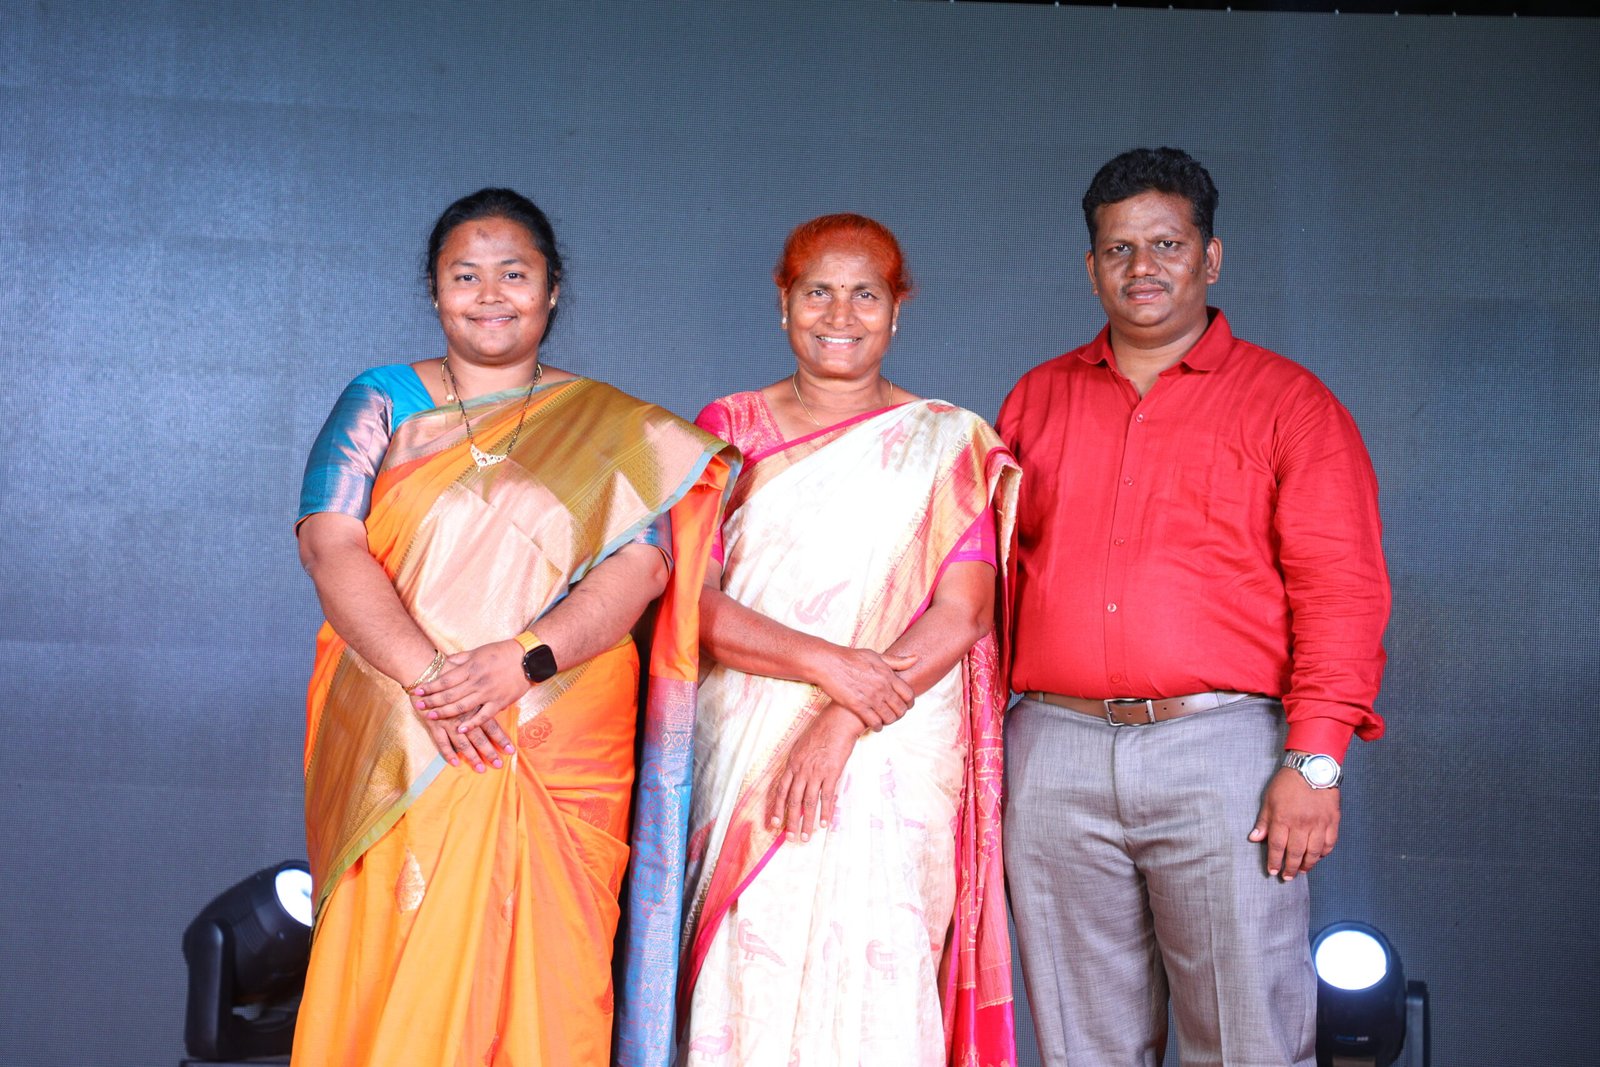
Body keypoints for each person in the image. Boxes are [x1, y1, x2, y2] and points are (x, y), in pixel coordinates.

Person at [290, 188, 735, 1067]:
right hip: (410, 729)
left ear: (552, 288)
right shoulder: (381, 402)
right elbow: (329, 543)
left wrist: (521, 661)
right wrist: (433, 682)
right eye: (466, 275)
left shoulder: (612, 425)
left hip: (552, 729)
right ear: (435, 290)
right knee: (404, 950)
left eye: (514, 274)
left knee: (548, 977)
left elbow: (641, 568)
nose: (490, 294)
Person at [999, 148, 1391, 1066]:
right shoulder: (1036, 399)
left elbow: (1341, 590)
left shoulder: (1291, 404)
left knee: (1247, 1038)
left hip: (1221, 753)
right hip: (1051, 753)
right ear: (1091, 267)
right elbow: (987, 582)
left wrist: (1316, 761)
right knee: (1080, 1046)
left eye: (1167, 244)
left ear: (1210, 258)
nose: (1143, 267)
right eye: (1119, 248)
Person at [655, 214, 1018, 1067]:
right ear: (783, 303)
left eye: (865, 294)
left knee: (881, 977)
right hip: (750, 753)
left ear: (898, 309)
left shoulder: (951, 441)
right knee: (749, 974)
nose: (840, 314)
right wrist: (828, 665)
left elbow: (963, 613)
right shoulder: (729, 427)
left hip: (891, 744)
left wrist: (843, 716)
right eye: (817, 291)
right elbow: (694, 605)